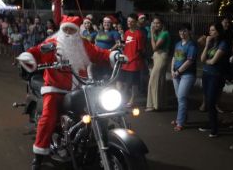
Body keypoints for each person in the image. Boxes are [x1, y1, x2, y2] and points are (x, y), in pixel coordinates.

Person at [17, 15, 122, 170]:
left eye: (71, 30)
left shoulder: (83, 44)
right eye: (65, 29)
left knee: (99, 108)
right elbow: (37, 51)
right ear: (61, 29)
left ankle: (92, 141)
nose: (67, 32)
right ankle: (39, 157)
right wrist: (29, 56)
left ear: (76, 32)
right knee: (48, 116)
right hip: (55, 88)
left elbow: (99, 53)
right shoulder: (52, 44)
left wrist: (115, 55)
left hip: (81, 87)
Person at [199, 23, 228, 138]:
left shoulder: (223, 44)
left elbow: (213, 61)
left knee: (211, 101)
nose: (210, 33)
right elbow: (202, 59)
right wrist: (206, 45)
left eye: (213, 30)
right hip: (206, 74)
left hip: (215, 76)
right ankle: (211, 123)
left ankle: (215, 128)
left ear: (218, 32)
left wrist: (207, 60)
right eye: (210, 30)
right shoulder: (211, 43)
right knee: (207, 100)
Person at [171, 23, 198, 131]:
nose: (182, 33)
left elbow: (190, 61)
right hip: (176, 73)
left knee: (181, 97)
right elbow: (174, 57)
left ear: (189, 32)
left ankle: (180, 122)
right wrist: (172, 70)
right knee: (180, 98)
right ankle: (182, 118)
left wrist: (178, 71)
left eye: (185, 30)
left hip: (187, 74)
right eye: (180, 31)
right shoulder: (178, 44)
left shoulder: (192, 45)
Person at [116, 13, 146, 105]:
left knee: (133, 83)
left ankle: (132, 100)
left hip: (134, 63)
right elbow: (127, 45)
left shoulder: (139, 34)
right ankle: (119, 98)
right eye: (128, 21)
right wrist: (122, 45)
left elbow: (141, 51)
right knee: (119, 80)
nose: (129, 23)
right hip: (125, 61)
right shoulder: (126, 32)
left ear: (136, 22)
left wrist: (131, 59)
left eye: (132, 21)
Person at [146, 16, 171, 111]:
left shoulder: (164, 33)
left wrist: (152, 33)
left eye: (158, 23)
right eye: (154, 23)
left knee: (153, 80)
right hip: (156, 57)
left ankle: (153, 105)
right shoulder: (158, 33)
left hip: (161, 56)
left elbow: (155, 47)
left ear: (162, 24)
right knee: (160, 80)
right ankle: (162, 104)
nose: (155, 25)